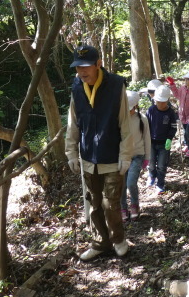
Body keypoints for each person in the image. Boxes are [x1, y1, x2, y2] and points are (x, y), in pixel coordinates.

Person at [65, 44, 133, 261]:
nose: (82, 72)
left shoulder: (115, 85)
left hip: (112, 156)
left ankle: (119, 240)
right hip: (88, 159)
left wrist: (126, 155)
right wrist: (71, 153)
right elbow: (73, 124)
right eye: (78, 67)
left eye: (86, 66)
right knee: (94, 204)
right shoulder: (77, 87)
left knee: (111, 204)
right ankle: (100, 243)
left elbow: (125, 122)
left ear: (98, 64)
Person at [121, 90, 151, 222]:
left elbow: (147, 138)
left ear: (136, 106)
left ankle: (134, 205)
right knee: (121, 185)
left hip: (137, 155)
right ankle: (123, 208)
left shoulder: (142, 119)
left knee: (131, 182)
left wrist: (147, 157)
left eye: (131, 109)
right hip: (122, 157)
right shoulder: (120, 119)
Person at [146, 85, 178, 194]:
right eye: (158, 101)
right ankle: (151, 176)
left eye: (162, 102)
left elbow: (173, 127)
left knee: (161, 165)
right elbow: (146, 125)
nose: (160, 104)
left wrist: (169, 138)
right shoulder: (151, 110)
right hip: (151, 142)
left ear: (167, 101)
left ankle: (160, 183)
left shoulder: (170, 113)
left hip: (164, 143)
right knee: (151, 162)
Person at [166, 71, 189, 158]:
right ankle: (187, 144)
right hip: (182, 115)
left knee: (188, 131)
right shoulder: (183, 89)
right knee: (185, 130)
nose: (185, 82)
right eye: (185, 80)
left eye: (187, 80)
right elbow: (176, 94)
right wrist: (172, 84)